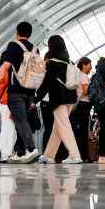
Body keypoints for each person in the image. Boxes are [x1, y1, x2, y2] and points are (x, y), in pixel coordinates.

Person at [0, 22, 41, 164]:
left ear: (17, 32)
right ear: (30, 34)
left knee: (20, 120)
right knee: (22, 121)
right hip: (30, 91)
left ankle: (31, 149)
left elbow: (4, 68)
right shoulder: (35, 49)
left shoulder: (13, 46)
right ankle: (20, 152)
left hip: (16, 91)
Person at [34, 35, 83, 164]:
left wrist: (36, 99)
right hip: (70, 98)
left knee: (64, 126)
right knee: (57, 128)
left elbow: (46, 83)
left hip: (58, 99)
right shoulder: (70, 62)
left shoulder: (52, 63)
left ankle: (75, 155)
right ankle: (49, 155)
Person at [70, 57, 93, 162]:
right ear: (84, 65)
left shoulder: (77, 75)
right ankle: (84, 156)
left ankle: (81, 154)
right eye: (89, 65)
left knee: (79, 130)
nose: (90, 67)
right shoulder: (83, 76)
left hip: (79, 104)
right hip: (83, 104)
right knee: (83, 131)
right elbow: (85, 91)